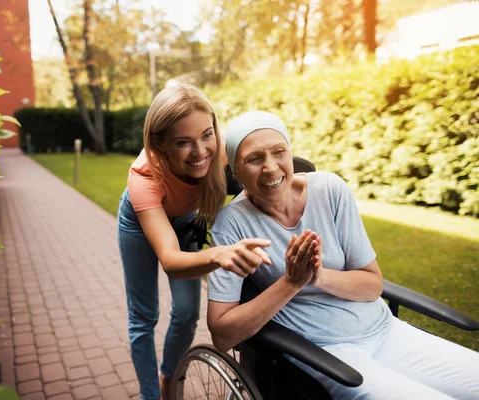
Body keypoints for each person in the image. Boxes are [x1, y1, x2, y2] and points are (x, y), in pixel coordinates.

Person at [206, 111, 479, 400]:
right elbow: (223, 336)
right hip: (327, 351)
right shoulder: (232, 225)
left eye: (278, 152)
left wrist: (319, 276)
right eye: (254, 158)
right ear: (236, 171)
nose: (271, 167)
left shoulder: (330, 190)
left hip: (386, 331)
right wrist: (291, 282)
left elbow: (372, 285)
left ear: (290, 153)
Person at [117, 85, 272, 400]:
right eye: (183, 142)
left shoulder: (222, 153)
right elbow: (171, 261)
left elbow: (270, 163)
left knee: (187, 312)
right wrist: (218, 254)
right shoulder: (143, 178)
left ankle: (170, 376)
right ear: (159, 143)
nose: (201, 152)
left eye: (206, 135)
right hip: (138, 220)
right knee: (144, 316)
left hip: (185, 219)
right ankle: (151, 395)